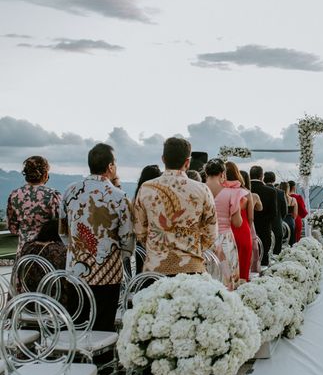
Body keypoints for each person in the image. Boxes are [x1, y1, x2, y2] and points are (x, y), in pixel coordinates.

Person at [60, 143, 135, 332]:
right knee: (102, 327)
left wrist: (77, 250)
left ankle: (77, 360)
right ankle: (101, 360)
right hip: (107, 273)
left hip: (76, 271)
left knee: (77, 324)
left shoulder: (69, 191)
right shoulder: (120, 196)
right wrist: (121, 258)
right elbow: (127, 237)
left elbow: (62, 230)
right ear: (110, 167)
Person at [134, 138, 218, 277]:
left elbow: (139, 231)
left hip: (155, 269)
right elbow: (211, 233)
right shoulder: (202, 189)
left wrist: (157, 248)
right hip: (191, 267)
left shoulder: (146, 188)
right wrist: (193, 248)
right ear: (187, 162)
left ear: (163, 159)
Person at [7, 156, 62, 255]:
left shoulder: (15, 195)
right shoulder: (52, 195)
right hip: (46, 252)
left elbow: (12, 228)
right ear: (45, 174)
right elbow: (62, 224)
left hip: (23, 251)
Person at [205, 160, 244, 289]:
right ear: (222, 173)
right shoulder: (231, 193)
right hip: (225, 240)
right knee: (226, 279)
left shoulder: (199, 191)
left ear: (206, 172)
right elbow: (237, 223)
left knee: (206, 279)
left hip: (205, 241)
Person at [225, 162, 254, 282]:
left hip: (226, 232)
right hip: (243, 230)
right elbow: (251, 217)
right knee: (243, 268)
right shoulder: (246, 192)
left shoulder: (221, 192)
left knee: (226, 271)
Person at [250, 166, 277, 266]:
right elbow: (273, 214)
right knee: (263, 258)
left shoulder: (246, 189)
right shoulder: (271, 191)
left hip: (247, 228)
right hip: (264, 229)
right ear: (261, 176)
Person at [243, 170, 263, 274]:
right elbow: (260, 208)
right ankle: (251, 271)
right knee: (253, 248)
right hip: (248, 224)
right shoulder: (252, 195)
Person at [264, 171, 286, 255]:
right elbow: (284, 211)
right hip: (277, 225)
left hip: (262, 226)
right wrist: (279, 219)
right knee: (276, 253)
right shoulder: (280, 193)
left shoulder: (259, 190)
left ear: (264, 179)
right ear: (274, 180)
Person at [279, 182, 297, 247]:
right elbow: (295, 214)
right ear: (288, 189)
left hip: (281, 221)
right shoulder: (293, 200)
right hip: (290, 222)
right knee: (291, 241)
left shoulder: (278, 199)